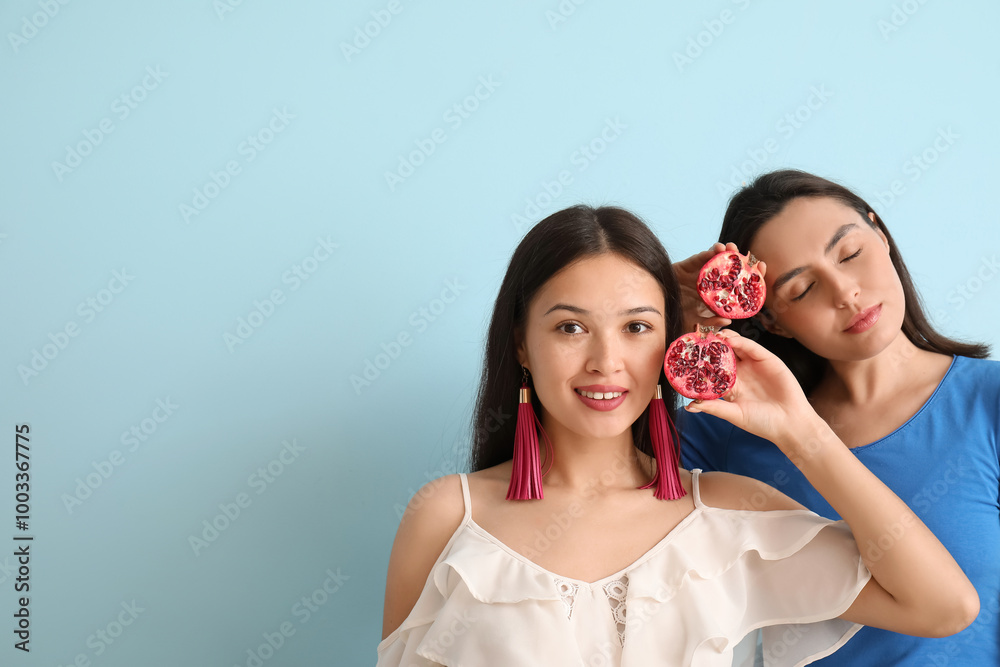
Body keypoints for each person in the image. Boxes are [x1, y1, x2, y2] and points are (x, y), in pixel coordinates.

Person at [378, 204, 978, 667]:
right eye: (570, 327)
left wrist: (801, 432)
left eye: (637, 327)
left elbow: (944, 605)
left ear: (671, 341)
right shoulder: (446, 517)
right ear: (520, 344)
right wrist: (638, 298)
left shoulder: (727, 514)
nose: (606, 361)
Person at [678, 169, 999, 665]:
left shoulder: (989, 402)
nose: (846, 293)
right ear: (770, 320)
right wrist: (652, 319)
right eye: (803, 289)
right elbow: (555, 470)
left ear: (881, 234)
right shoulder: (732, 431)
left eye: (850, 254)